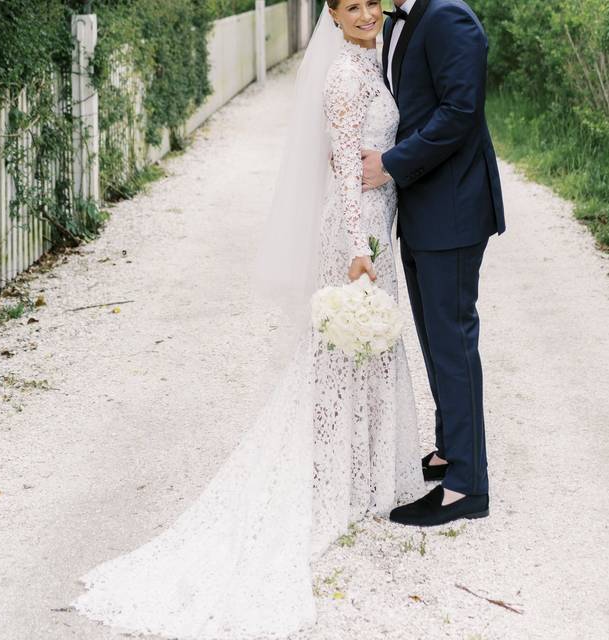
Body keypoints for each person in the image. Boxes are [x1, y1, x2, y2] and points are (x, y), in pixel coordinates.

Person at [67, 2, 428, 638]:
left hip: (380, 223)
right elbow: (345, 168)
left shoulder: (371, 62)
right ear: (333, 15)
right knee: (342, 352)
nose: (367, 13)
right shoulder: (343, 76)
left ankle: (362, 475)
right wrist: (356, 248)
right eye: (351, 7)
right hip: (356, 233)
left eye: (371, 2)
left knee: (364, 353)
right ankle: (338, 480)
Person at [362, 0, 506, 527]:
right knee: (434, 340)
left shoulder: (448, 16)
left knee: (453, 345)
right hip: (423, 209)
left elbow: (460, 112)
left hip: (453, 209)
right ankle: (450, 451)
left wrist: (391, 165)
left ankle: (467, 486)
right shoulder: (403, 19)